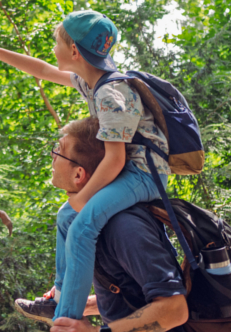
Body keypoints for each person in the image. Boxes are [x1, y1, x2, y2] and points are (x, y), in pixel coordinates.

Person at [0, 10, 172, 323]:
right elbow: (42, 69)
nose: (53, 49)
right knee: (66, 216)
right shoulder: (92, 82)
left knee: (81, 225)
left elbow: (115, 159)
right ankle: (61, 299)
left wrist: (83, 196)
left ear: (74, 51)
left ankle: (67, 321)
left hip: (145, 175)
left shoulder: (110, 93)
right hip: (130, 170)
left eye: (57, 43)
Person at [46, 117, 188, 332]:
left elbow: (174, 310)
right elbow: (130, 293)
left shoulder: (124, 227)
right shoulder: (92, 224)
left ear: (79, 174)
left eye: (58, 150)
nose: (52, 156)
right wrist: (85, 304)